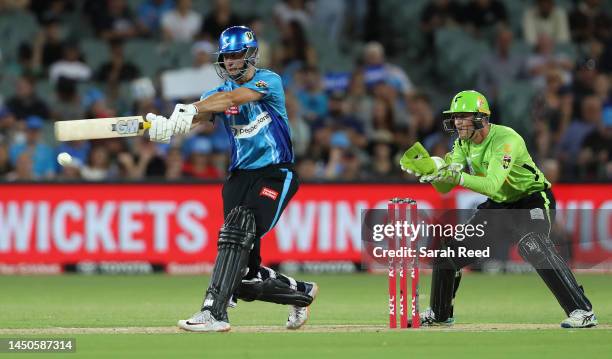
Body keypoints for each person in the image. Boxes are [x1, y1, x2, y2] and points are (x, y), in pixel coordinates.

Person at [146, 26, 318, 332]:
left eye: (238, 56)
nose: (232, 63)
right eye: (227, 57)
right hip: (239, 177)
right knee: (244, 276)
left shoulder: (269, 81)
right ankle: (301, 292)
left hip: (276, 172)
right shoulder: (213, 95)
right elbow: (197, 116)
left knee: (241, 223)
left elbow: (233, 98)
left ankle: (213, 311)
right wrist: (169, 125)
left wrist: (192, 108)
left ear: (251, 55)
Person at [401, 90, 597, 328]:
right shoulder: (462, 143)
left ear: (481, 117)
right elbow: (445, 187)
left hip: (532, 199)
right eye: (455, 116)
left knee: (532, 243)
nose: (457, 121)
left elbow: (492, 185)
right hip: (499, 206)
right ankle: (440, 314)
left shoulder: (506, 139)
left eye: (463, 116)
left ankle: (582, 310)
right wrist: (431, 171)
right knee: (447, 253)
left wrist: (455, 175)